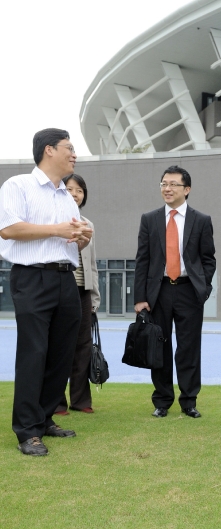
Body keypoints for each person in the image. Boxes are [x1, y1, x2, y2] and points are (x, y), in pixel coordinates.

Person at [0, 129, 92, 456]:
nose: (74, 154)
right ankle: (27, 430)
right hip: (32, 278)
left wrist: (83, 236)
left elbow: (72, 238)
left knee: (61, 353)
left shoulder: (66, 196)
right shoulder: (17, 186)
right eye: (69, 148)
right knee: (34, 353)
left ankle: (45, 417)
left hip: (67, 278)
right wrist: (57, 229)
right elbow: (9, 228)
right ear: (49, 150)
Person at [134, 165, 216, 418]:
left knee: (189, 348)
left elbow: (208, 259)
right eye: (163, 184)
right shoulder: (149, 219)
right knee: (159, 347)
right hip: (157, 292)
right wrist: (140, 298)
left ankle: (189, 401)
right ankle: (162, 401)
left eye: (173, 184)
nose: (167, 189)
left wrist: (203, 288)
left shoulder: (201, 220)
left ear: (187, 189)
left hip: (188, 291)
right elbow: (142, 260)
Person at [55, 174, 100, 415]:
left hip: (82, 291)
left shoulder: (88, 224)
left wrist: (94, 298)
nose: (75, 194)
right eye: (70, 189)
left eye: (80, 190)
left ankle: (81, 400)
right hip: (61, 289)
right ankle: (57, 402)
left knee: (83, 346)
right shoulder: (54, 221)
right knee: (59, 345)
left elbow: (91, 265)